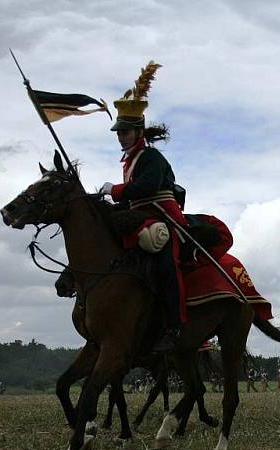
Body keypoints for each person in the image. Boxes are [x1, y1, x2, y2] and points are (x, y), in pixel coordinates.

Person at [100, 61, 187, 353]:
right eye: (118, 133)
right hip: (141, 218)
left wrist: (115, 189)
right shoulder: (129, 161)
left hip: (164, 219)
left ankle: (174, 326)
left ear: (138, 132)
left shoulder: (151, 158)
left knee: (166, 263)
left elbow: (145, 189)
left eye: (125, 132)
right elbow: (129, 199)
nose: (121, 136)